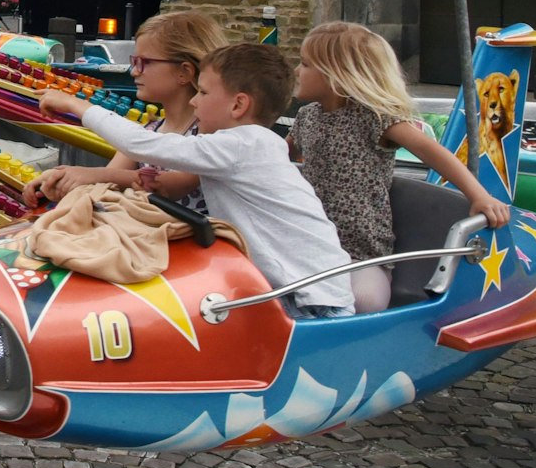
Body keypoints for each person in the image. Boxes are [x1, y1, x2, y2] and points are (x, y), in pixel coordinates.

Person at [41, 43, 355, 317]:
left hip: (308, 298)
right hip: (307, 288)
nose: (194, 102)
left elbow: (142, 145)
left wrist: (78, 106)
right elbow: (172, 180)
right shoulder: (251, 145)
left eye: (203, 93)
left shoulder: (242, 145)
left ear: (238, 105)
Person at [291, 21, 510, 312]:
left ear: (337, 74)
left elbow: (432, 152)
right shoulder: (307, 117)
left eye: (305, 64)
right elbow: (274, 156)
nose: (297, 70)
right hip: (311, 242)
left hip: (360, 250)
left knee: (365, 301)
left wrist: (479, 196)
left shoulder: (374, 117)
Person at [24, 10, 227, 213]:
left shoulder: (211, 135)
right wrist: (58, 178)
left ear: (184, 72)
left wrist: (75, 105)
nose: (134, 71)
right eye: (134, 61)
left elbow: (169, 186)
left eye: (144, 62)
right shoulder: (150, 129)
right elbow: (108, 176)